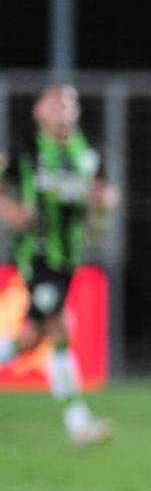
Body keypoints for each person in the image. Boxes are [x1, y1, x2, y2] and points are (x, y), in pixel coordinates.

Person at [0, 84, 118, 447]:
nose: (64, 110)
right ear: (40, 112)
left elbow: (107, 195)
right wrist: (12, 211)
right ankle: (78, 424)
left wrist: (104, 202)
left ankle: (78, 423)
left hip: (69, 257)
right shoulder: (27, 150)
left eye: (70, 104)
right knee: (59, 327)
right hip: (37, 254)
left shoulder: (89, 152)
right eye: (56, 103)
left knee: (30, 338)